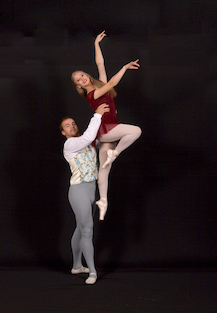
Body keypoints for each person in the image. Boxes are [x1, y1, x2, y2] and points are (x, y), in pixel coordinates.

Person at [71, 30, 142, 221]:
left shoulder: (98, 84)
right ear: (78, 86)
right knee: (136, 131)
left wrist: (96, 44)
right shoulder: (91, 94)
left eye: (83, 75)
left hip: (110, 129)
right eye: (78, 80)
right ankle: (116, 153)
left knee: (104, 169)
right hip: (105, 130)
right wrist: (125, 68)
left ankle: (103, 201)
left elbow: (100, 64)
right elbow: (111, 82)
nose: (82, 78)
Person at [60, 103, 110, 285]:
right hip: (78, 190)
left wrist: (109, 115)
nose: (72, 126)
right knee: (87, 230)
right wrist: (97, 115)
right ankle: (93, 272)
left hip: (91, 190)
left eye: (73, 123)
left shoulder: (88, 143)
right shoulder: (70, 143)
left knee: (80, 228)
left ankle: (76, 266)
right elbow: (90, 135)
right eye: (67, 126)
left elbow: (102, 138)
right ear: (63, 133)